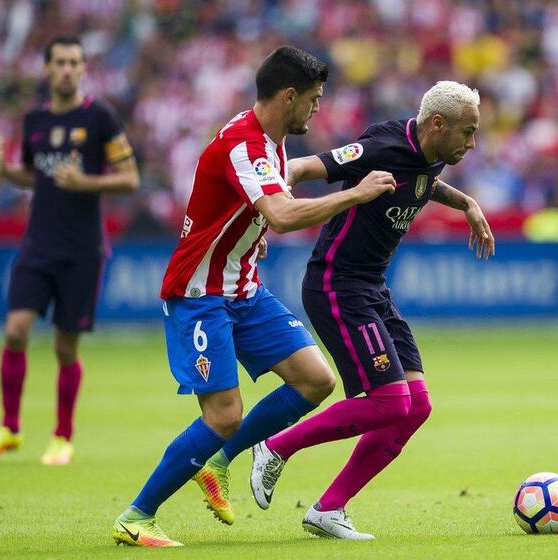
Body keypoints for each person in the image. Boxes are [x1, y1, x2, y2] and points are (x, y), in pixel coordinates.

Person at [111, 46, 395, 548]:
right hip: (200, 293)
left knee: (315, 379)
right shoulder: (245, 144)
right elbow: (283, 216)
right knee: (223, 415)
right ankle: (137, 515)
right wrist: (356, 193)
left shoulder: (273, 141)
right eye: (313, 100)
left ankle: (217, 462)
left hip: (245, 290)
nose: (316, 109)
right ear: (289, 96)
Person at [246, 81, 495, 539]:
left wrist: (467, 204)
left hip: (373, 288)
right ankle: (275, 447)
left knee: (415, 407)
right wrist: (258, 222)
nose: (472, 143)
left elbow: (426, 181)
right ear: (437, 124)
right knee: (389, 401)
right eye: (468, 132)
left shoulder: (435, 151)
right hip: (335, 285)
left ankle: (328, 509)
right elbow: (302, 167)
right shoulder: (380, 145)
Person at [0, 35, 139, 467]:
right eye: (60, 62)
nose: (67, 69)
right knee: (15, 331)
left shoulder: (100, 116)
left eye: (74, 62)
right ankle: (9, 428)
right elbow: (37, 176)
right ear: (47, 69)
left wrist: (87, 183)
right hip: (37, 243)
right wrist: (6, 172)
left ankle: (62, 436)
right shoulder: (34, 120)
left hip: (82, 249)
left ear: (84, 69)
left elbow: (129, 179)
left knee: (65, 347)